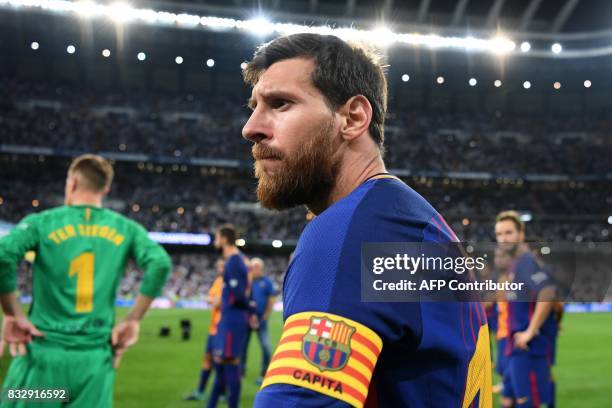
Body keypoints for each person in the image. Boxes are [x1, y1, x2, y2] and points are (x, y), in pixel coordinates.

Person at [241, 33, 491, 407]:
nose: (251, 127)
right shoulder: (412, 220)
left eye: (280, 104)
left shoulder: (350, 234)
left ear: (353, 117)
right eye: (254, 105)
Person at [0, 154, 172, 408]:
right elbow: (160, 264)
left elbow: (3, 255)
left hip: (42, 358)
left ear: (72, 183)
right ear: (105, 188)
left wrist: (13, 314)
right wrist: (133, 320)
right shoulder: (126, 228)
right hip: (94, 365)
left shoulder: (42, 223)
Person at [495, 211, 556, 408]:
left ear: (521, 234)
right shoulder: (514, 265)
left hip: (528, 350)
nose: (503, 239)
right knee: (519, 402)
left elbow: (547, 292)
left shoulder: (526, 262)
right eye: (499, 234)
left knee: (528, 403)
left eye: (509, 233)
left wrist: (530, 331)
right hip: (517, 349)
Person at [206, 225, 249, 408]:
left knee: (230, 362)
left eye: (217, 237)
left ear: (224, 239)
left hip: (233, 321)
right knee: (221, 364)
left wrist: (224, 303)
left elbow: (239, 294)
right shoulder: (234, 261)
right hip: (228, 320)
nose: (215, 241)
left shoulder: (234, 261)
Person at [184, 259, 225, 401]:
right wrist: (214, 300)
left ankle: (222, 393)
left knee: (220, 361)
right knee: (207, 358)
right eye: (218, 266)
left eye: (221, 265)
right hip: (213, 327)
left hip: (223, 328)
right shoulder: (219, 280)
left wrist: (215, 300)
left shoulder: (230, 282)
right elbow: (210, 299)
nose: (219, 268)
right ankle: (200, 391)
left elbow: (218, 302)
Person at [243, 257, 278, 384]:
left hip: (261, 320)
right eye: (253, 267)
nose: (255, 269)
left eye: (257, 267)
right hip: (246, 319)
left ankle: (264, 373)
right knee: (242, 347)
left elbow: (271, 300)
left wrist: (265, 316)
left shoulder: (267, 282)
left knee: (265, 346)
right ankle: (241, 371)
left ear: (261, 268)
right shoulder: (247, 281)